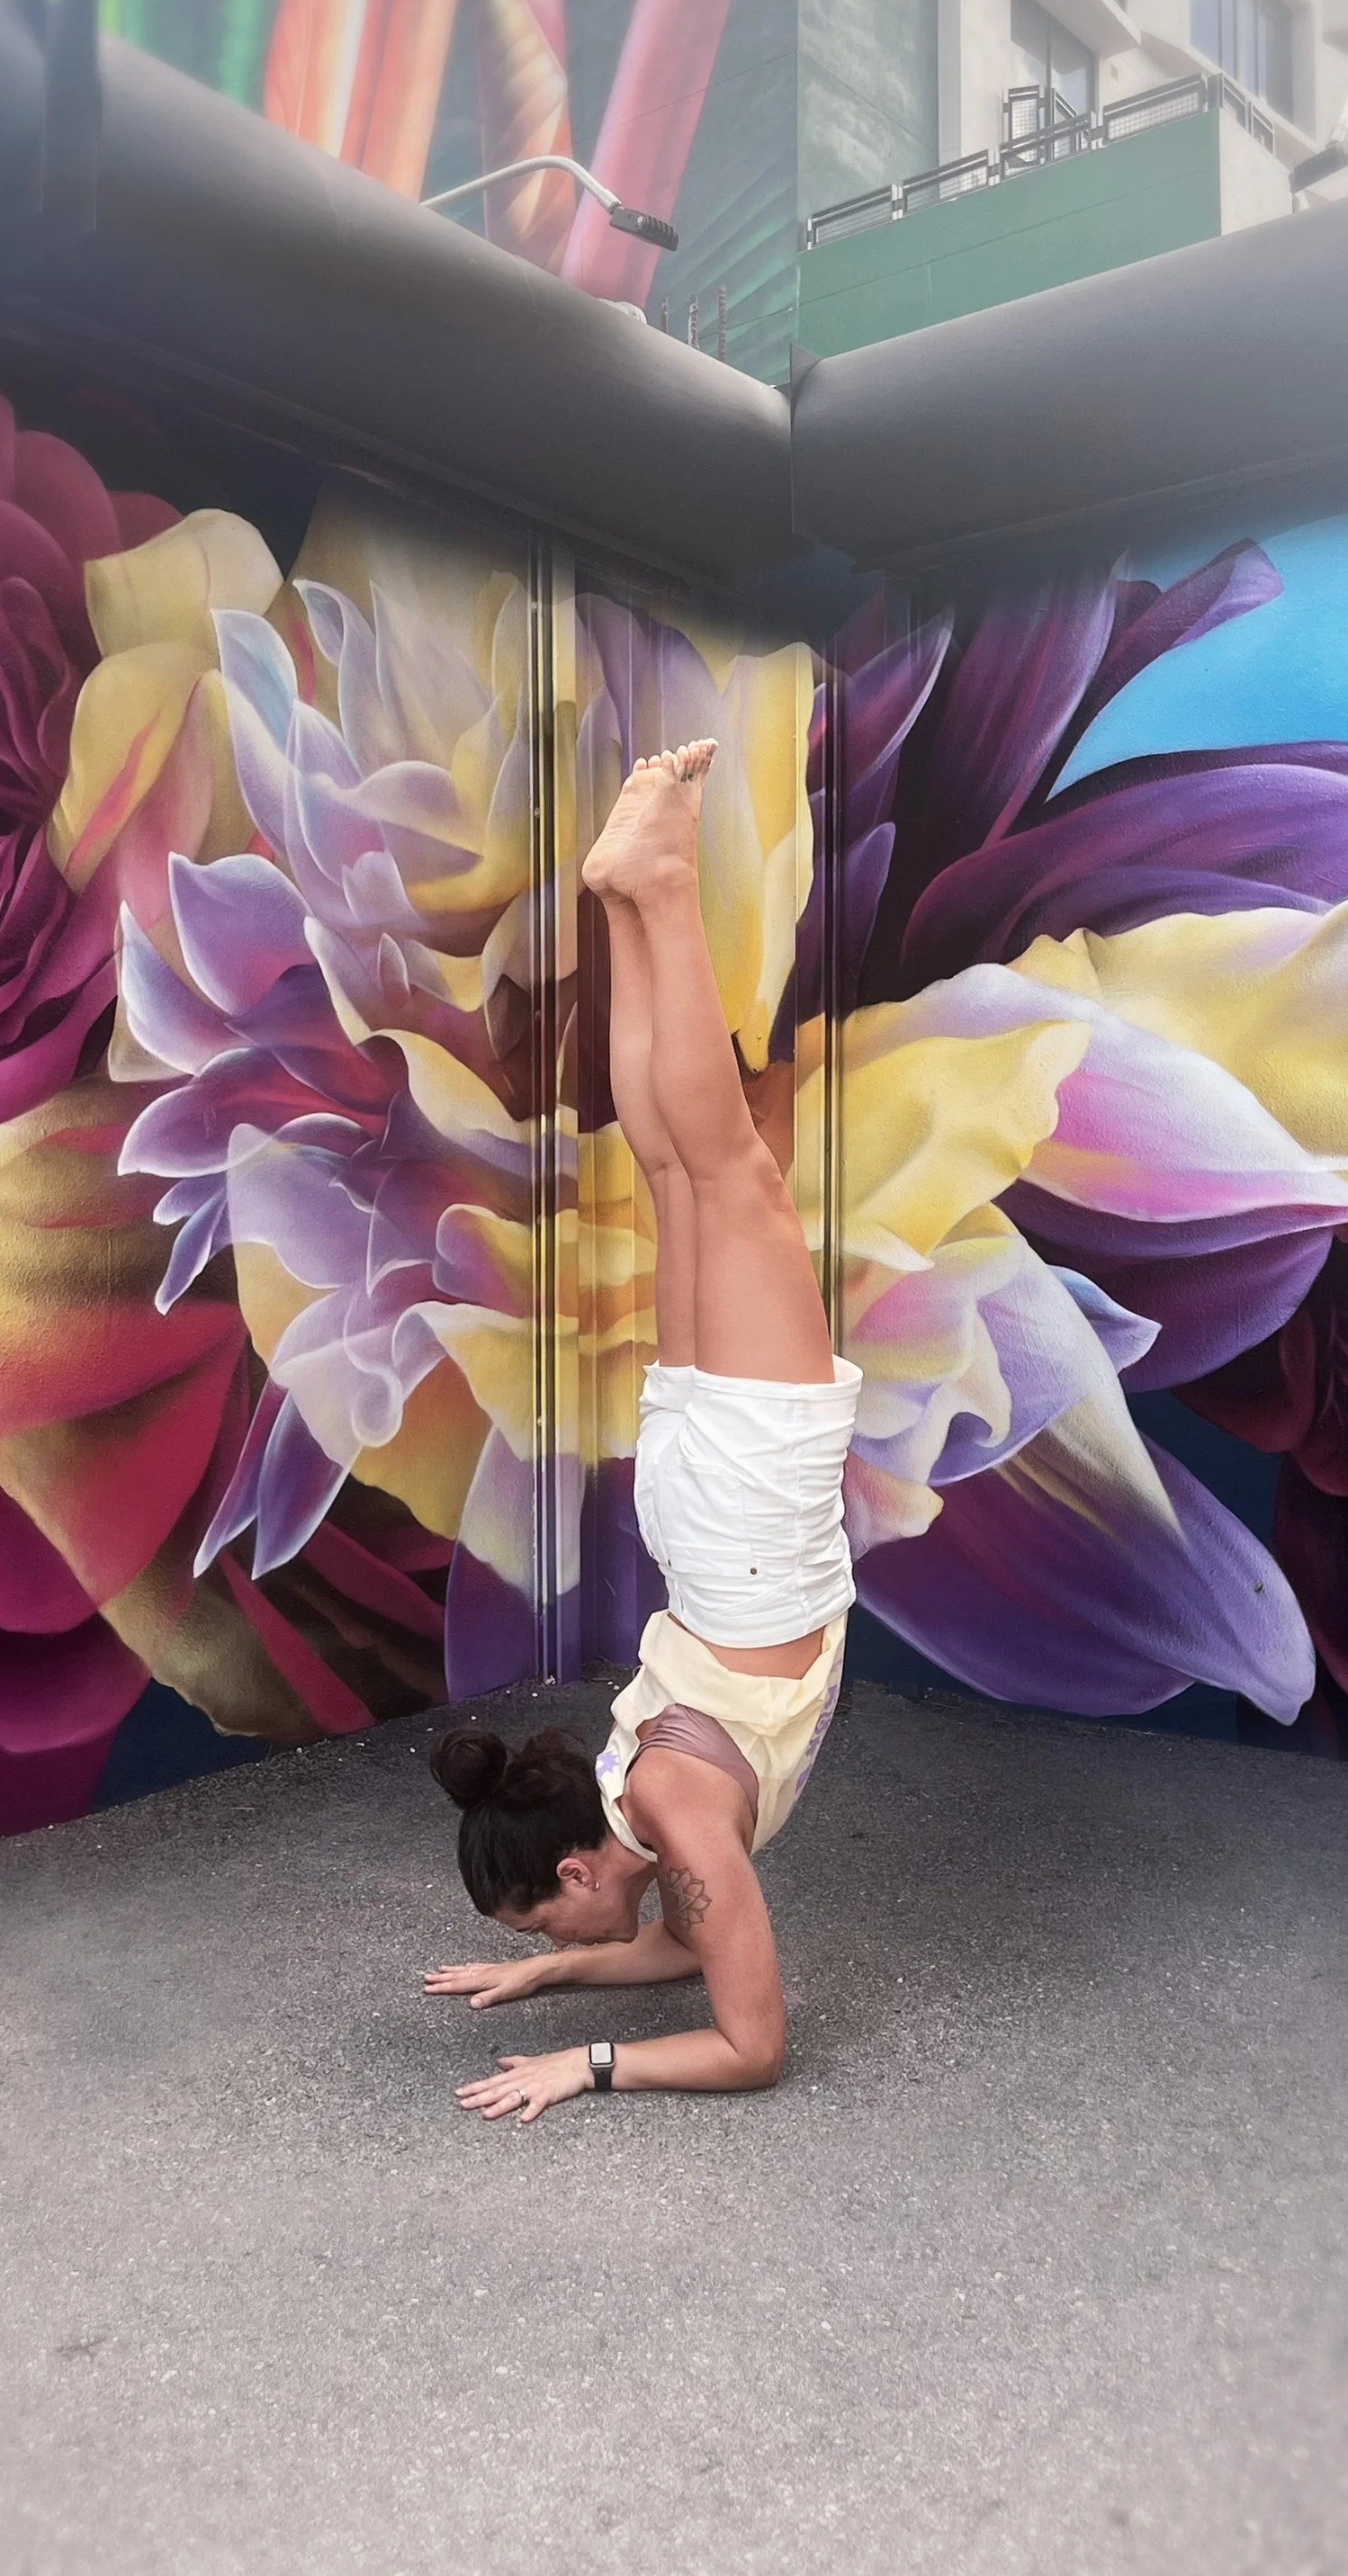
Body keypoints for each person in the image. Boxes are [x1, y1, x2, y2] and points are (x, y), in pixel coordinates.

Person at [423, 739, 863, 2123]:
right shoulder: (631, 1801)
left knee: (726, 1172)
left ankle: (655, 892)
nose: (561, 1946)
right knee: (681, 1170)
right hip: (701, 1522)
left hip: (745, 1531)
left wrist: (584, 2067)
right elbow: (682, 1951)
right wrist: (556, 1990)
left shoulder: (674, 1817)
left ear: (578, 1870)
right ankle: (625, 903)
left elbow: (750, 2045)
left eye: (546, 1935)